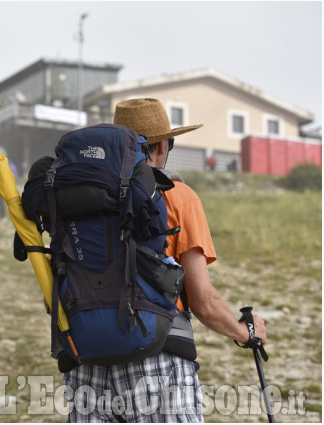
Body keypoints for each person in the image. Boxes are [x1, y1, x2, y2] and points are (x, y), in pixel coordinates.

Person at [60, 98, 268, 422]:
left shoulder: (76, 199)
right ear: (158, 147)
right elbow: (203, 301)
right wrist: (246, 334)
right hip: (157, 359)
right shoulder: (178, 195)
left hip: (84, 360)